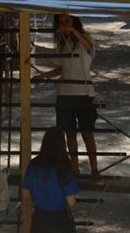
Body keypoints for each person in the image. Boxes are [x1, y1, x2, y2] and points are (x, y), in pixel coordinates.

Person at [35, 13, 98, 175]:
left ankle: (95, 170)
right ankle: (74, 169)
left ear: (75, 20)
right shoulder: (61, 44)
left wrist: (73, 32)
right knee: (69, 133)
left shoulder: (85, 37)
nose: (64, 23)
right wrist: (41, 76)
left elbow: (89, 47)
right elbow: (60, 69)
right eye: (61, 21)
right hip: (64, 94)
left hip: (84, 92)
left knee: (87, 133)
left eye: (67, 20)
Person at [22, 127, 80, 233]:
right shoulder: (64, 167)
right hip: (61, 219)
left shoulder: (34, 164)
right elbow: (71, 202)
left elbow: (25, 194)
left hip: (40, 217)